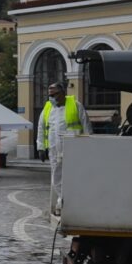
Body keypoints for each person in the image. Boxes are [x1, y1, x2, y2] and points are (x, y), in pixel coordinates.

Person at [36, 82, 92, 215]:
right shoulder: (48, 108)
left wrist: (89, 146)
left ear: (62, 93)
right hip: (54, 150)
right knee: (56, 176)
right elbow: (41, 128)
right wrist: (41, 147)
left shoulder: (75, 105)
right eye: (49, 95)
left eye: (53, 94)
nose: (51, 97)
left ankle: (68, 202)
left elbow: (86, 126)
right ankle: (63, 201)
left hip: (74, 149)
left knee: (72, 176)